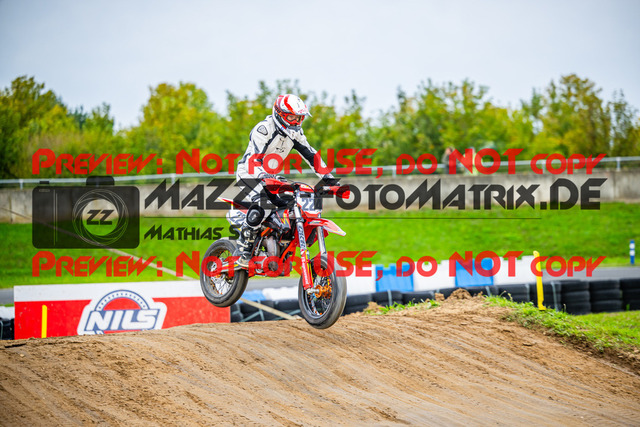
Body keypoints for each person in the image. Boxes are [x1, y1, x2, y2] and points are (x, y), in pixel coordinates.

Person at [234, 94, 339, 267]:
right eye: (292, 117)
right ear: (279, 114)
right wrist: (263, 175)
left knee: (292, 207)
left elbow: (311, 155)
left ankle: (276, 245)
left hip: (271, 177)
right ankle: (243, 248)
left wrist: (329, 179)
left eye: (299, 118)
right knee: (263, 204)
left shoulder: (295, 134)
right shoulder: (264, 129)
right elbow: (253, 160)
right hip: (249, 173)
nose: (296, 122)